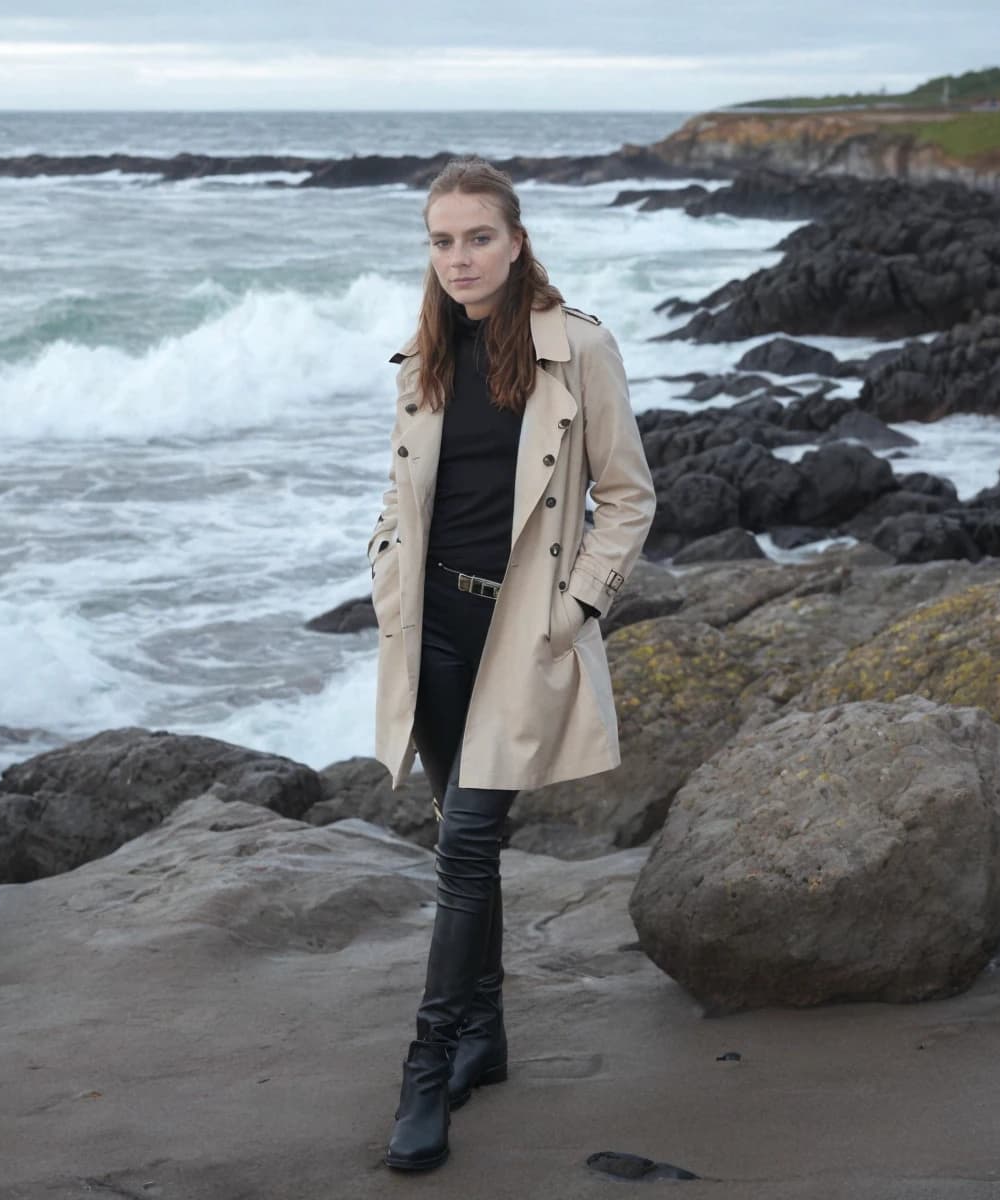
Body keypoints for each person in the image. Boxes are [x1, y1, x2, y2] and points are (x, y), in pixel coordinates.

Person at [366, 157, 656, 1172]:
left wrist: (577, 606)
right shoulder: (422, 354)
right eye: (441, 241)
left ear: (517, 240)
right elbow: (402, 495)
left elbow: (626, 497)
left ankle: (426, 1062)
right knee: (464, 841)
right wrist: (385, 573)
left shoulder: (577, 351)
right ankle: (484, 1037)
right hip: (431, 629)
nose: (458, 258)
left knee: (461, 849)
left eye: (477, 237)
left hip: (519, 634)